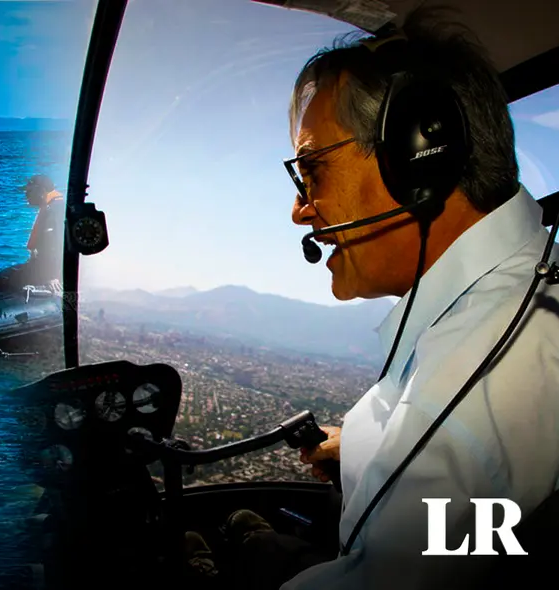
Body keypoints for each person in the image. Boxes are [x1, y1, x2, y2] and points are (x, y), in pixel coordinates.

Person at [185, 7, 559, 590]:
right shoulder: (518, 291)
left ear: (419, 158)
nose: (300, 209)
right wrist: (357, 443)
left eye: (313, 170)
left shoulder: (470, 402)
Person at [0, 174, 65, 293]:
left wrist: (52, 275)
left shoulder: (53, 211)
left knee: (4, 277)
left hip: (53, 269)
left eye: (29, 192)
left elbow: (56, 246)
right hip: (48, 265)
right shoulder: (54, 206)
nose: (26, 196)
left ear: (41, 191)